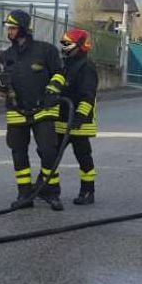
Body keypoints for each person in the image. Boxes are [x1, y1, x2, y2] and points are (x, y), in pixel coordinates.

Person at [0, 10, 67, 211]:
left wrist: (52, 91)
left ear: (24, 29)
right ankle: (24, 194)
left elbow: (60, 74)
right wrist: (0, 83)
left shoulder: (46, 51)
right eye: (9, 28)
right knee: (18, 153)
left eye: (13, 28)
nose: (10, 31)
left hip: (43, 110)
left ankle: (51, 193)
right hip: (16, 111)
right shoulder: (5, 56)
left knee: (48, 152)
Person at [54, 28, 99, 205]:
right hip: (62, 120)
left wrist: (79, 117)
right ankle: (45, 188)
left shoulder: (86, 67)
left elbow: (88, 95)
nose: (63, 47)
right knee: (51, 155)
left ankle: (88, 191)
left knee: (83, 156)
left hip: (80, 123)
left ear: (79, 46)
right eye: (62, 43)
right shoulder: (66, 64)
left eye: (66, 44)